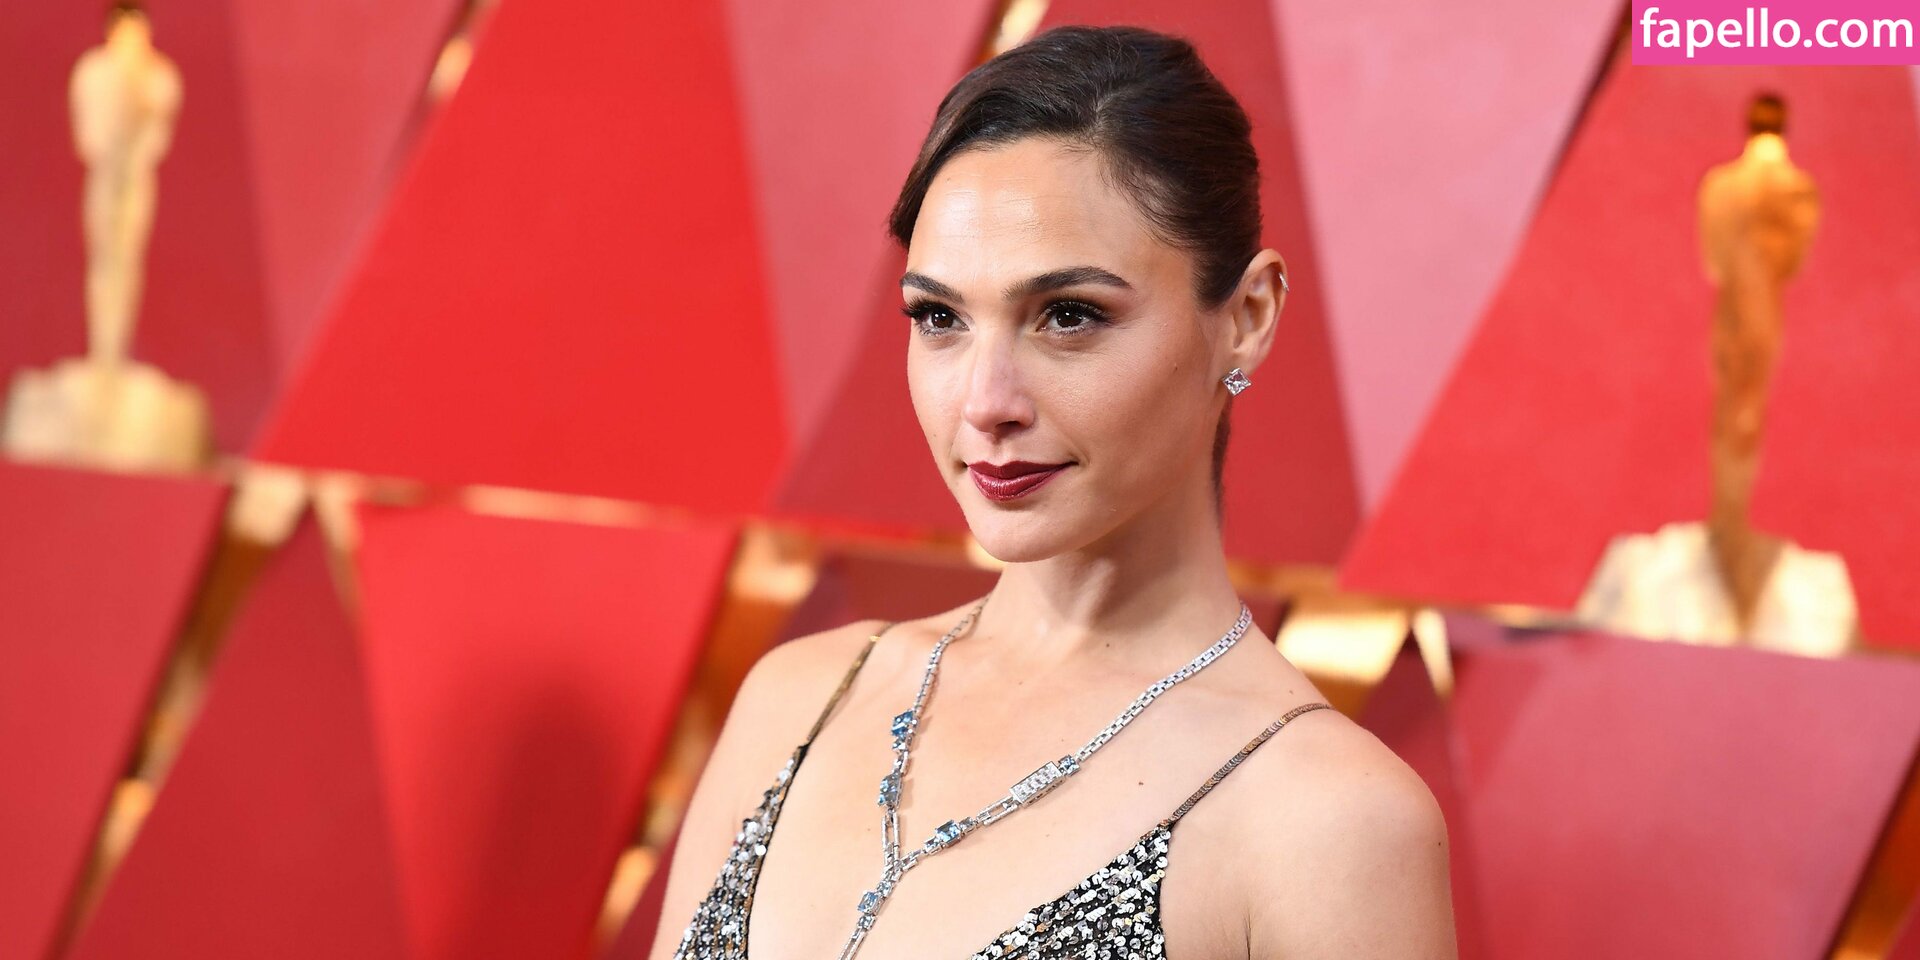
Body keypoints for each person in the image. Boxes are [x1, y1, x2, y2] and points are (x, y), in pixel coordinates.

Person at [653, 24, 1455, 960]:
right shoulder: (800, 699)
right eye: (939, 317)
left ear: (1247, 315)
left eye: (1068, 316)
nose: (985, 403)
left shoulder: (1328, 821)